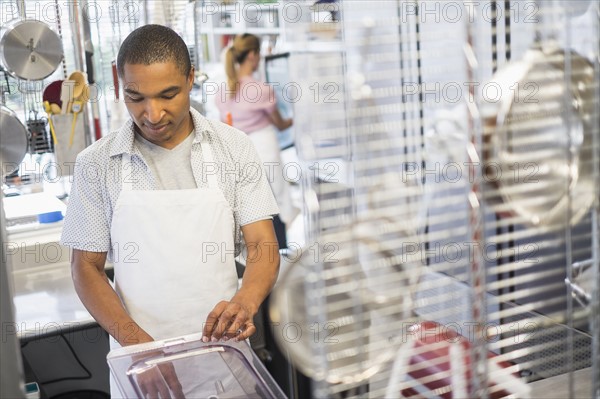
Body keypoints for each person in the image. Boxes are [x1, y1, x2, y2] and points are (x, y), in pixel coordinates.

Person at [60, 24, 280, 397]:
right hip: (139, 368)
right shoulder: (97, 163)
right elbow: (86, 267)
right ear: (119, 85)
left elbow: (262, 245)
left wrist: (246, 301)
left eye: (168, 95)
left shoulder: (233, 148)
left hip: (224, 362)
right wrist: (142, 352)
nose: (153, 113)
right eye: (135, 97)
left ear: (191, 79)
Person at [215, 34, 298, 246]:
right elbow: (280, 124)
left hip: (238, 154)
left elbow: (225, 126)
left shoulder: (223, 92)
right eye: (259, 53)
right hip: (264, 147)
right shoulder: (261, 90)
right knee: (277, 202)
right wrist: (298, 117)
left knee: (253, 205)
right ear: (252, 55)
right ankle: (281, 250)